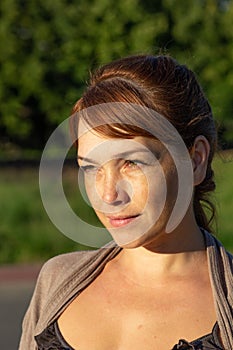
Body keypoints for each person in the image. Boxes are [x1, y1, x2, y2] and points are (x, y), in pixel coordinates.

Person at [19, 55, 233, 350]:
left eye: (132, 162)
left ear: (195, 160)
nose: (108, 196)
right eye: (91, 167)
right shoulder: (56, 282)